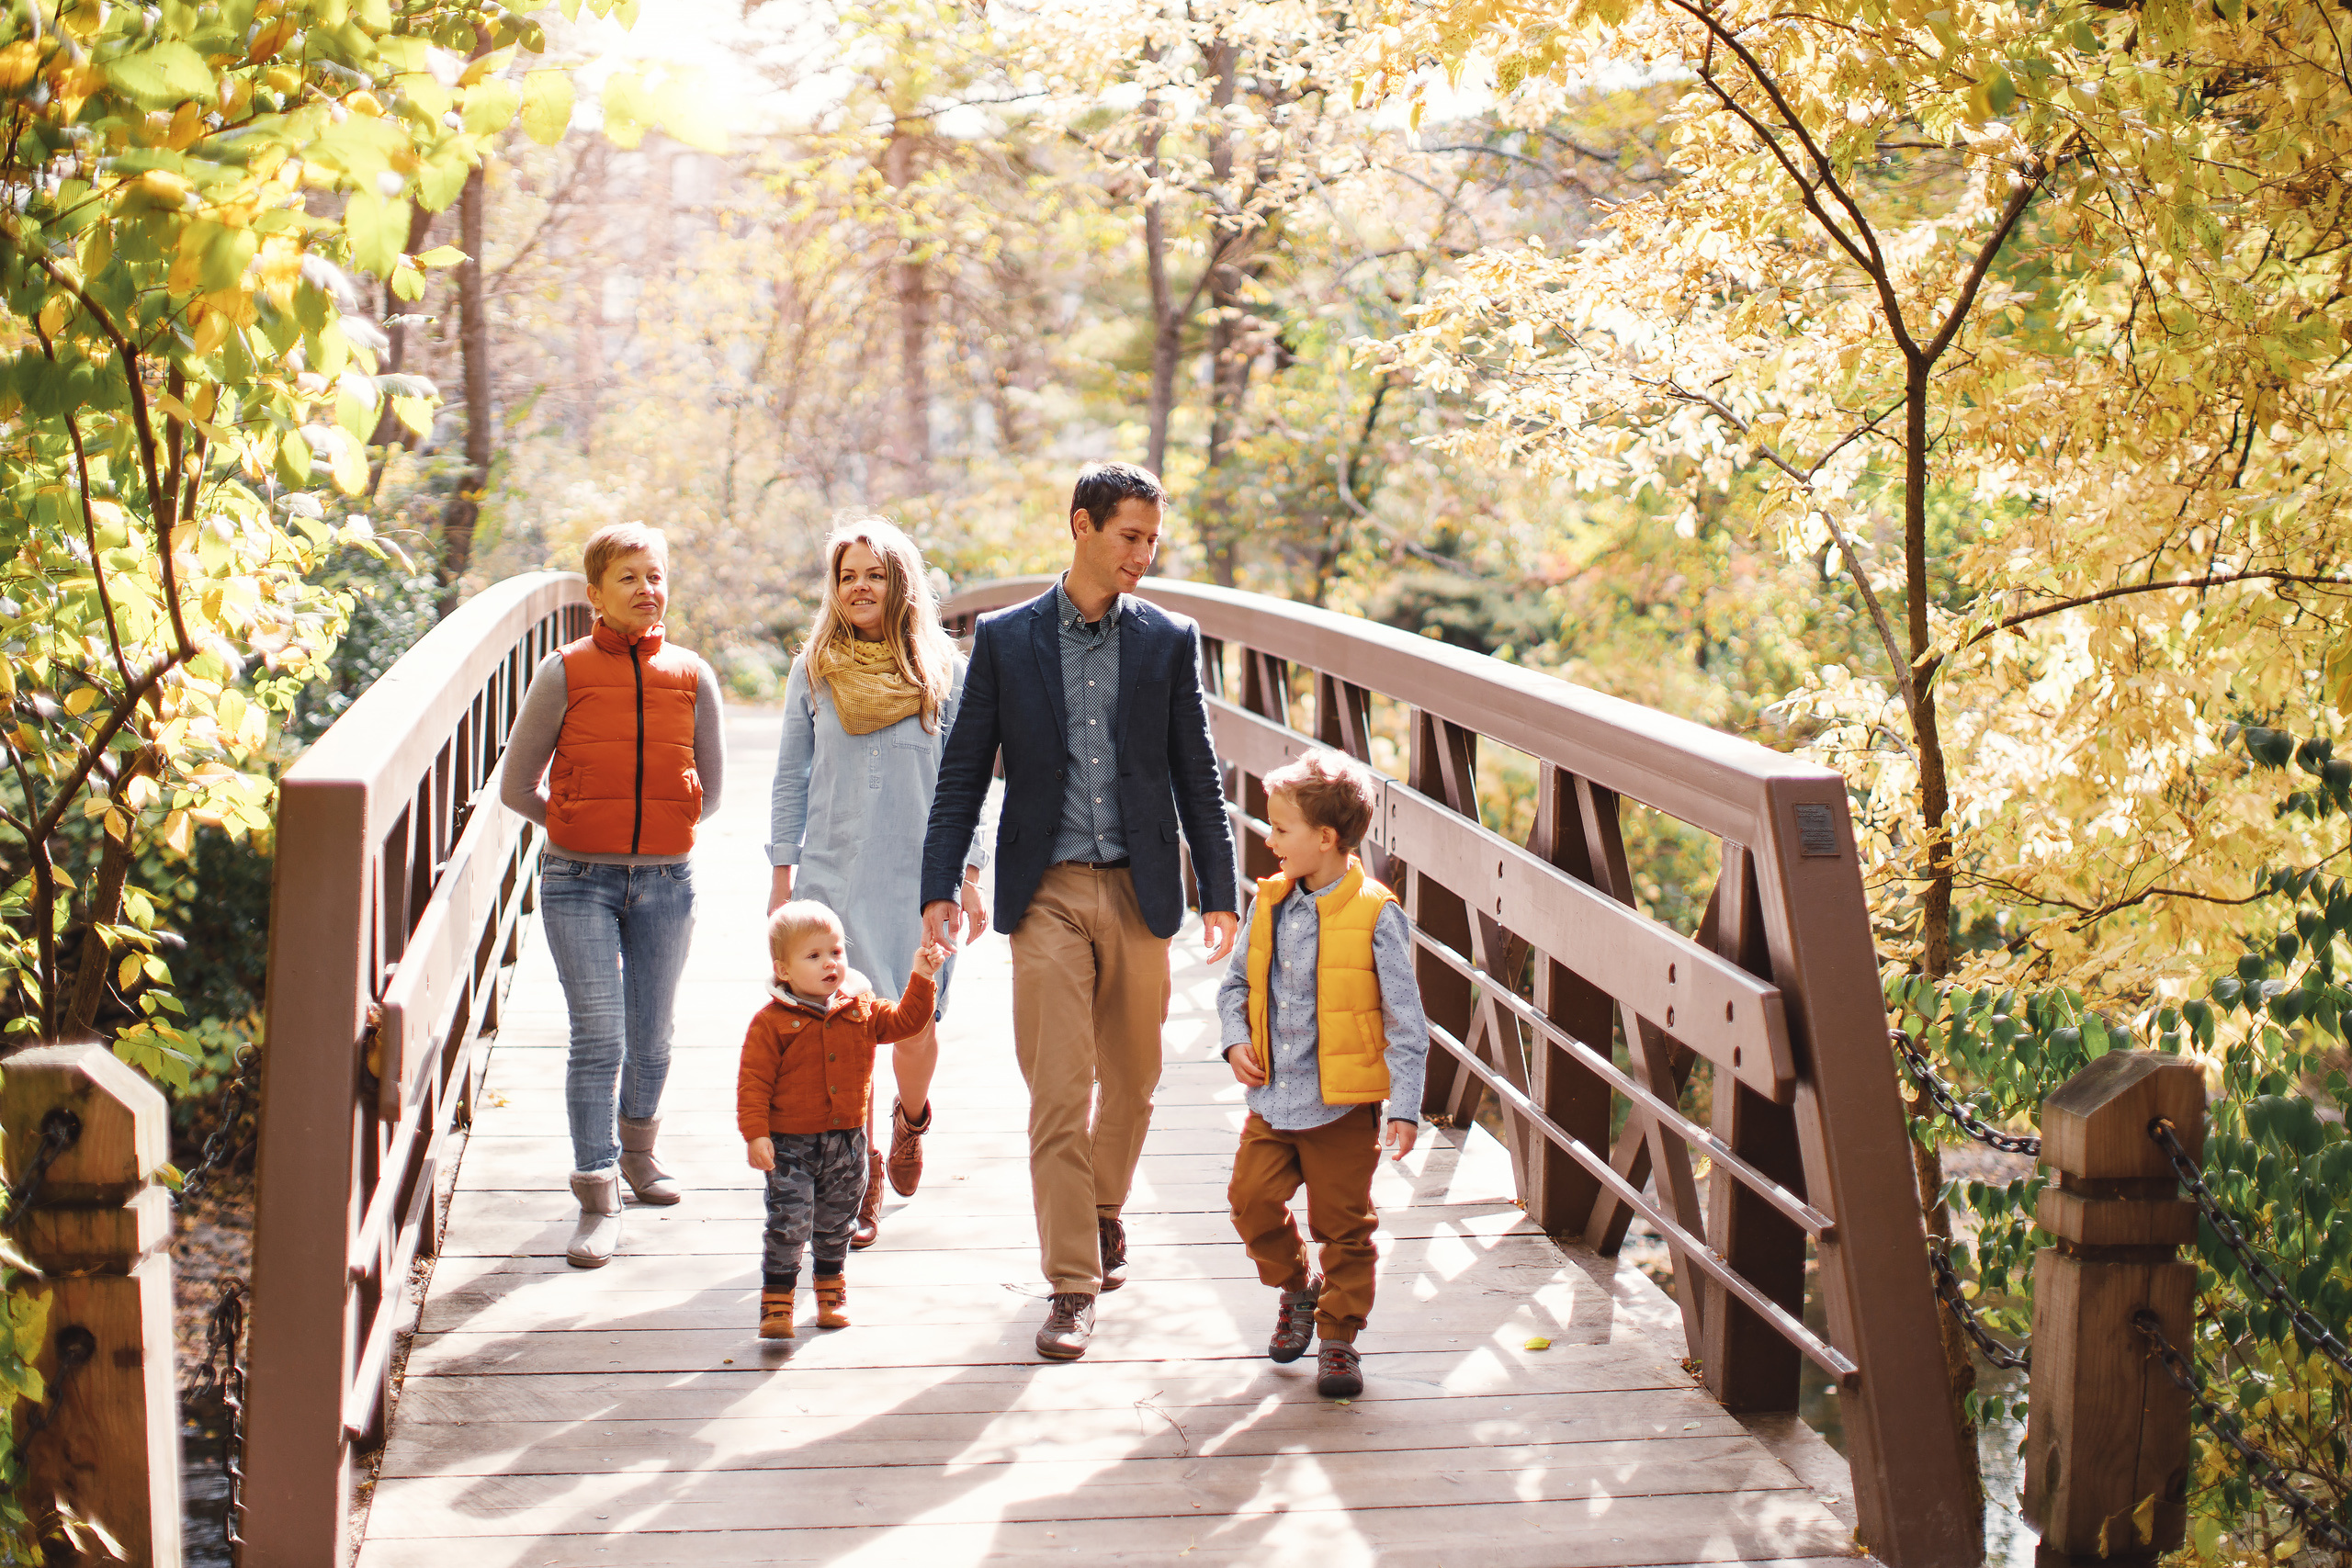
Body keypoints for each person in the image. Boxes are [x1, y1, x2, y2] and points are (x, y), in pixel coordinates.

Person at [920, 461, 1239, 1362]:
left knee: (1133, 1085)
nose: (1143, 554)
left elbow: (1198, 773)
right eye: (1129, 536)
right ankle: (1070, 1286)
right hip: (1047, 891)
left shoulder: (1169, 639)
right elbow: (962, 772)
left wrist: (1219, 890)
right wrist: (939, 883)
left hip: (1140, 891)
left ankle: (1103, 1211)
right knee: (1060, 1092)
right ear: (1081, 527)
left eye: (1152, 540)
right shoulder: (1007, 640)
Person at [500, 522, 726, 1268]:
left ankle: (639, 1154)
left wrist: (664, 827)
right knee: (600, 1036)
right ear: (594, 593)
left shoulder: (693, 674)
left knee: (653, 1033)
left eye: (655, 575)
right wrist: (571, 823)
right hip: (577, 882)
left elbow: (713, 791)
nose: (646, 589)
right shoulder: (562, 671)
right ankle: (596, 1192)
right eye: (628, 576)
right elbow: (514, 786)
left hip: (666, 880)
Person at [768, 518, 989, 1249]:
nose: (860, 586)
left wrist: (971, 873)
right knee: (844, 1032)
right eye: (846, 575)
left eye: (874, 573)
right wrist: (782, 877)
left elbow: (970, 780)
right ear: (834, 588)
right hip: (833, 872)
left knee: (917, 1024)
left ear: (900, 582)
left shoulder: (944, 669)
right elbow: (789, 780)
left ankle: (911, 1118)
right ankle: (856, 1173)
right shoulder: (815, 668)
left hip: (919, 876)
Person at [1216, 747, 1430, 1400]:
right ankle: (1297, 1288)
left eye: (1281, 829)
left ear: (1327, 838)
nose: (1268, 838)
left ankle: (1338, 1339)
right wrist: (1232, 1043)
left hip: (1341, 1108)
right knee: (1250, 1202)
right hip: (1273, 1101)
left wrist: (1403, 1106)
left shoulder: (1375, 913)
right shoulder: (1271, 900)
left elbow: (1408, 1021)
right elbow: (1232, 987)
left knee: (1345, 1227)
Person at [738, 900, 944, 1339]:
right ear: (784, 970)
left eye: (835, 951)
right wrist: (756, 1135)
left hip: (847, 1143)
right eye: (813, 956)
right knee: (788, 1220)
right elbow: (753, 1082)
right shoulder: (771, 1023)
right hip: (789, 1144)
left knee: (837, 1221)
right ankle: (777, 1300)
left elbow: (908, 1022)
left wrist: (923, 977)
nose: (830, 963)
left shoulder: (860, 1009)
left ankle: (831, 1289)